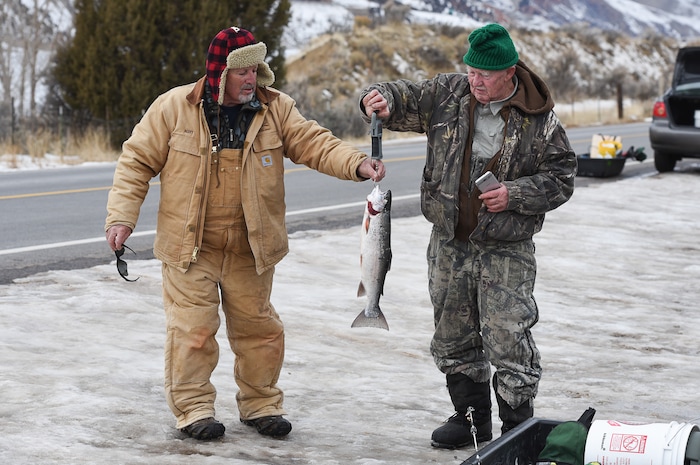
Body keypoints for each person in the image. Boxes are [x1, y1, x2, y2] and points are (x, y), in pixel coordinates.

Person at [105, 26, 385, 441]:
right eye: (242, 72)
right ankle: (195, 410)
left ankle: (261, 406)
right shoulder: (173, 108)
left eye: (255, 69)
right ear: (220, 74)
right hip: (190, 247)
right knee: (193, 331)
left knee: (260, 331)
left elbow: (315, 143)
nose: (251, 78)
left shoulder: (277, 109)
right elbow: (135, 162)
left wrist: (358, 164)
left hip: (251, 247)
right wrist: (121, 217)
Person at [360, 23, 576, 448]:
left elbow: (562, 176)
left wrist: (514, 193)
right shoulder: (447, 94)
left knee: (508, 334)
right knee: (452, 329)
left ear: (510, 71)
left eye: (486, 75)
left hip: (506, 247)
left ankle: (517, 429)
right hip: (449, 240)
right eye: (471, 71)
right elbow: (398, 98)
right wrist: (376, 97)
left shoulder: (540, 119)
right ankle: (469, 419)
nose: (475, 81)